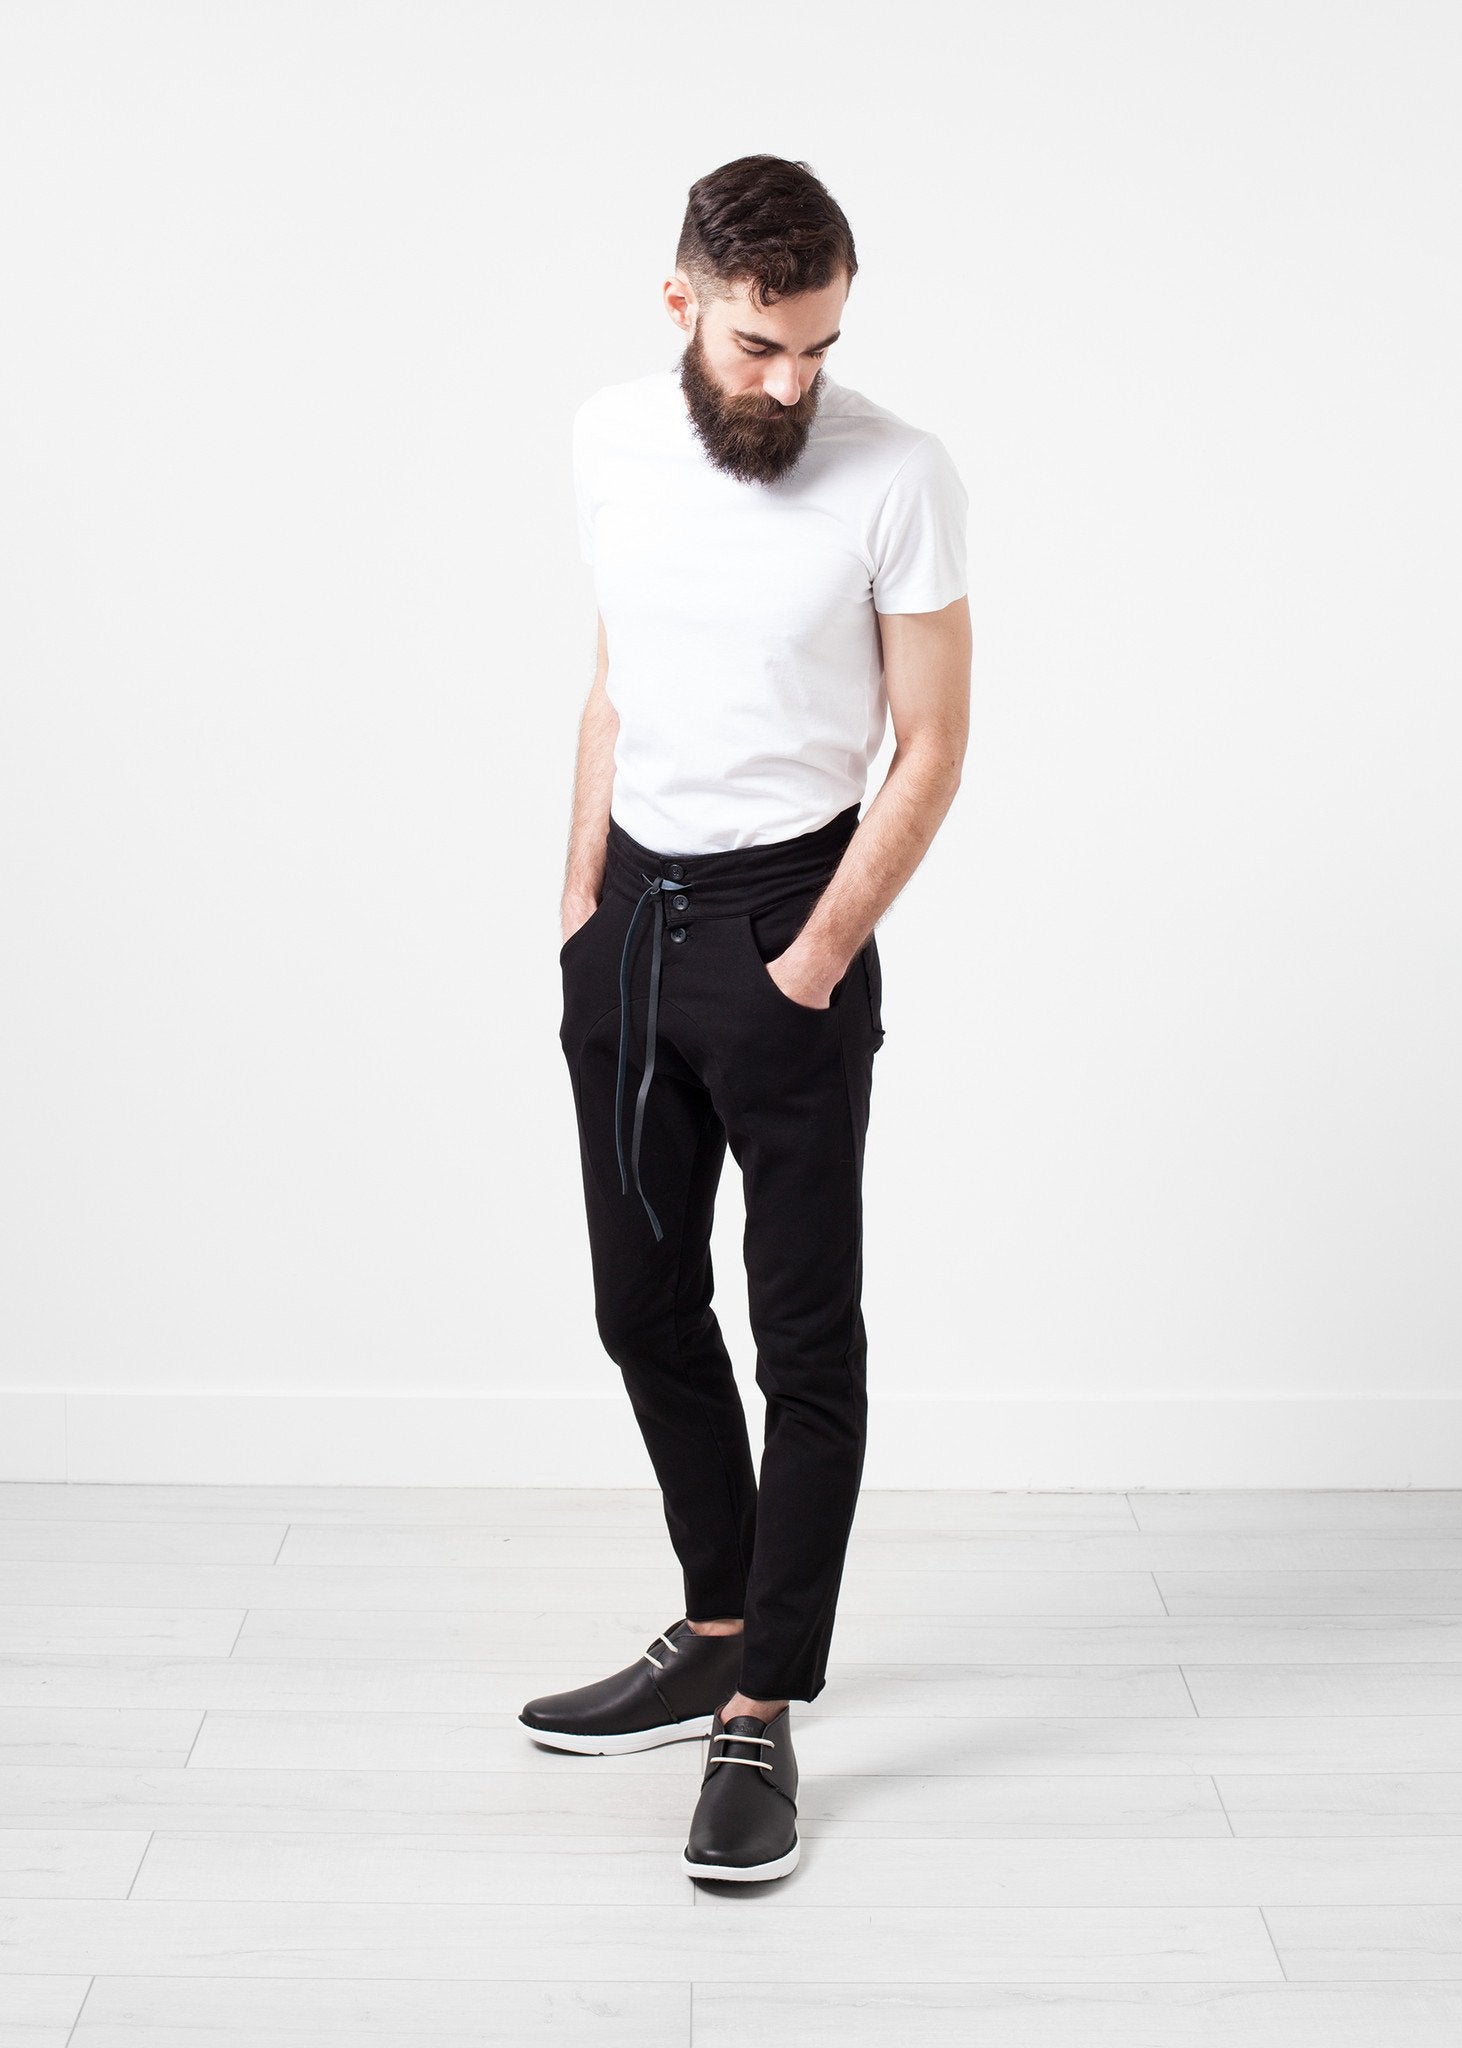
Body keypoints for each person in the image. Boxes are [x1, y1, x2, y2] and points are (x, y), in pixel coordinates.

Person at [520, 154, 971, 1883]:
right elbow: (615, 676)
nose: (790, 384)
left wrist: (817, 954)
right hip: (630, 924)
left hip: (794, 918)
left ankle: (762, 1709)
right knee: (640, 1303)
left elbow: (931, 743)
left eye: (817, 348)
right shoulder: (605, 439)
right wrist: (580, 901)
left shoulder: (898, 474)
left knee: (804, 1347)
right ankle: (714, 1628)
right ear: (682, 303)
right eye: (757, 345)